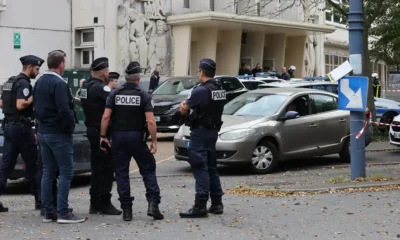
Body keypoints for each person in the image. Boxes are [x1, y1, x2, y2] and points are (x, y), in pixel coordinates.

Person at [99, 61, 164, 221]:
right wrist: (154, 140)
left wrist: (102, 136)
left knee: (121, 173)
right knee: (148, 169)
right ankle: (153, 204)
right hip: (137, 138)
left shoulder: (115, 94)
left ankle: (127, 210)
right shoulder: (144, 95)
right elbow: (150, 121)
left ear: (126, 78)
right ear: (138, 78)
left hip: (119, 138)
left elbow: (106, 116)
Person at [33, 50, 85, 224]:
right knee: (66, 172)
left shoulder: (39, 82)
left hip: (43, 131)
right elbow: (64, 109)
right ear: (61, 64)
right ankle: (63, 212)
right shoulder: (59, 83)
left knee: (48, 172)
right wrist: (69, 127)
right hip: (58, 132)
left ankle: (49, 211)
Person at [179, 58, 226, 218]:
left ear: (201, 72)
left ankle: (200, 205)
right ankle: (217, 203)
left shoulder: (201, 91)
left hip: (200, 132)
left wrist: (183, 108)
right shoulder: (219, 89)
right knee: (211, 166)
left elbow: (185, 108)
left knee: (200, 167)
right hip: (213, 132)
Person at [0, 55, 44, 213]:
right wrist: (34, 95)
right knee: (34, 165)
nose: (38, 72)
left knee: (5, 166)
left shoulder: (10, 82)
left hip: (9, 127)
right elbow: (20, 104)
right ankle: (40, 201)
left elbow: (1, 103)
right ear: (30, 67)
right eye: (37, 69)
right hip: (22, 129)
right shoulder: (24, 83)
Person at [80, 58, 122, 215]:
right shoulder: (101, 89)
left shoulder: (85, 85)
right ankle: (104, 201)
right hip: (101, 132)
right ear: (105, 73)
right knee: (105, 168)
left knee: (96, 168)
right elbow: (114, 105)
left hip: (91, 129)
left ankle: (95, 202)